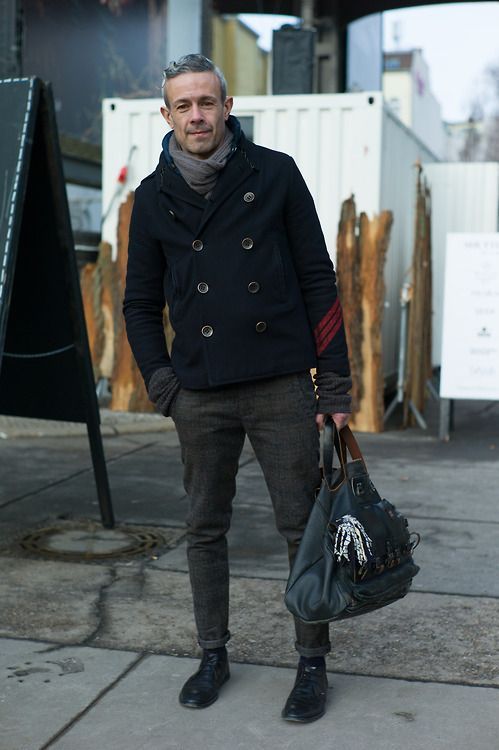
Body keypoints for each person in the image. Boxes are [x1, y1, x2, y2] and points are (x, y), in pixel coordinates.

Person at [123, 54, 352, 724]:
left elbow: (318, 280)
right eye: (182, 106)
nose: (196, 115)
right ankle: (212, 652)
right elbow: (138, 304)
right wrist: (163, 384)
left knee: (301, 529)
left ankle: (311, 663)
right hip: (199, 389)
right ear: (165, 116)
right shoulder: (151, 196)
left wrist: (332, 384)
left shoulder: (273, 173)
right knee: (203, 528)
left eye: (206, 102)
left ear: (226, 107)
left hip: (281, 383)